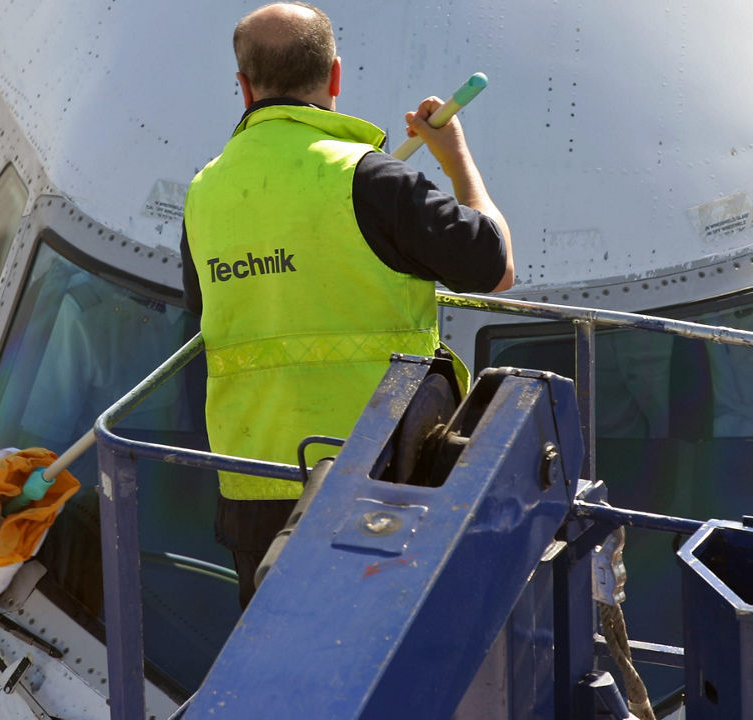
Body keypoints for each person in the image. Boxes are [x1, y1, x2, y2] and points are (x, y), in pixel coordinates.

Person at [180, 1, 514, 607]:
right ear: (334, 77)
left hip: (255, 483)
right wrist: (454, 157)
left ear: (244, 87)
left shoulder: (204, 193)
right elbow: (495, 268)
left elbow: (206, 310)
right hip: (381, 477)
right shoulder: (371, 178)